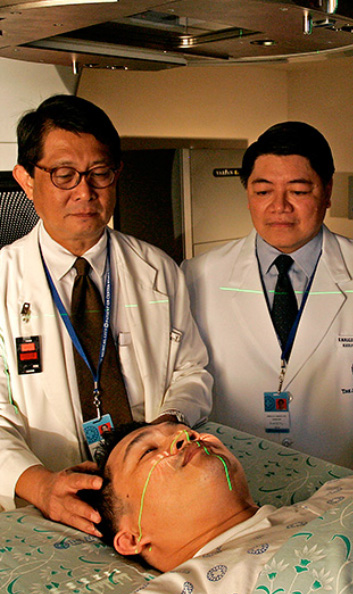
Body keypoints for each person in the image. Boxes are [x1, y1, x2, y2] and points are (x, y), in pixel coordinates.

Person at [0, 95, 213, 536]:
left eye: (100, 173)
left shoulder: (158, 269)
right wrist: (39, 486)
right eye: (64, 175)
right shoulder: (2, 280)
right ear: (25, 178)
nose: (85, 192)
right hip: (44, 508)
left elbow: (192, 369)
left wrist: (171, 420)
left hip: (157, 496)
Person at [182, 121, 353, 471]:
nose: (280, 207)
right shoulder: (196, 276)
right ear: (247, 194)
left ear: (327, 191)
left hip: (347, 489)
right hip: (235, 486)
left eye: (298, 191)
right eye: (263, 192)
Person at [85, 421, 353, 594]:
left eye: (187, 431)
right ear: (132, 538)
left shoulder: (349, 491)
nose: (185, 438)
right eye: (148, 451)